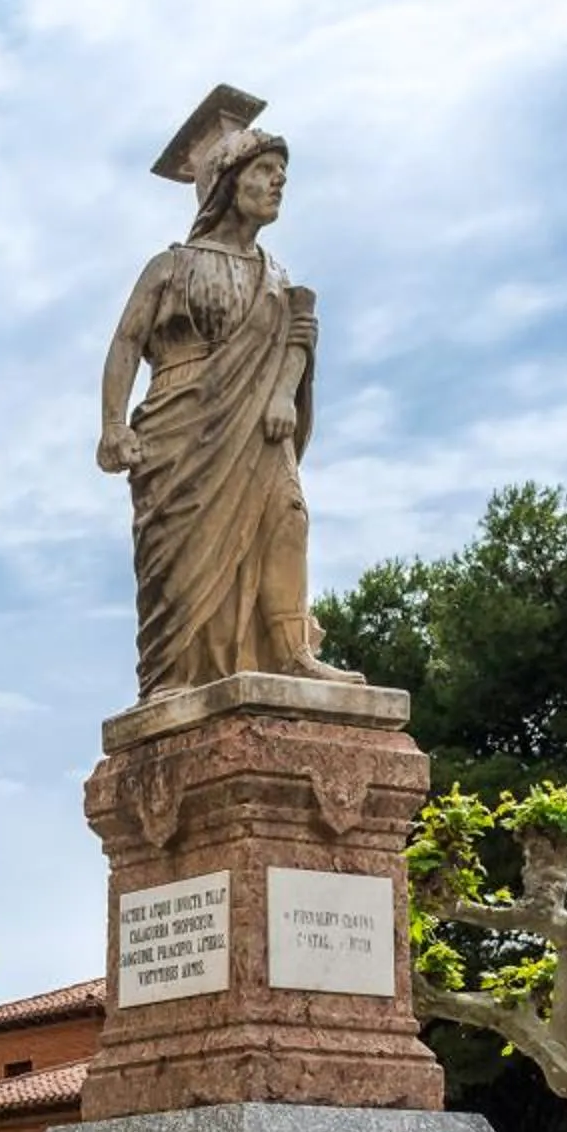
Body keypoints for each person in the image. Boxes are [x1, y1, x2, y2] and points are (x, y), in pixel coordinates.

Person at [98, 85, 364, 698]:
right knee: (183, 559)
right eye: (266, 171)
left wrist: (280, 394)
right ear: (228, 181)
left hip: (261, 423)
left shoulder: (278, 277)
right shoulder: (171, 266)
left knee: (288, 517)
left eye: (282, 176)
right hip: (179, 421)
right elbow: (125, 343)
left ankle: (292, 650)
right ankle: (175, 674)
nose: (277, 184)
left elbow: (298, 340)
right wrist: (114, 423)